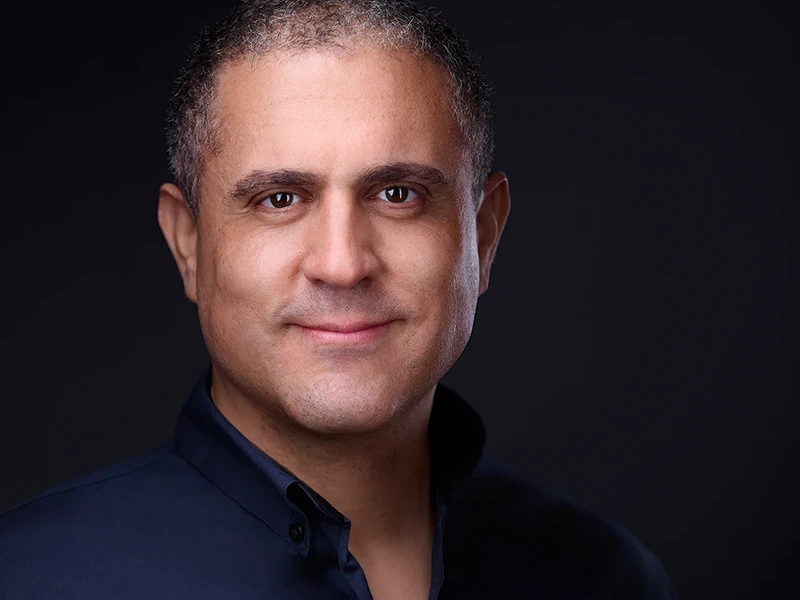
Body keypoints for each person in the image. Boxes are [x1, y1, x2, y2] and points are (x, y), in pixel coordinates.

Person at [0, 1, 679, 598]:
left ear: (483, 236)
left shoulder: (605, 578)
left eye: (397, 195)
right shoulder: (30, 580)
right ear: (190, 247)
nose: (342, 264)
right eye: (280, 199)